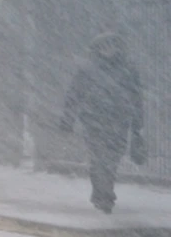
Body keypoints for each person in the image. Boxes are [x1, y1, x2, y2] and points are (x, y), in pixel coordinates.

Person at [59, 32, 147, 213]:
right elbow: (74, 95)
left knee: (112, 159)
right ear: (97, 49)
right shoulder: (87, 70)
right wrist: (68, 119)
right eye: (104, 46)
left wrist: (137, 125)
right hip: (94, 122)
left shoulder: (128, 70)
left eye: (112, 45)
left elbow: (136, 98)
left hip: (119, 122)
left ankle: (103, 192)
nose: (108, 49)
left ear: (118, 48)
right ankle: (104, 195)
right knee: (99, 159)